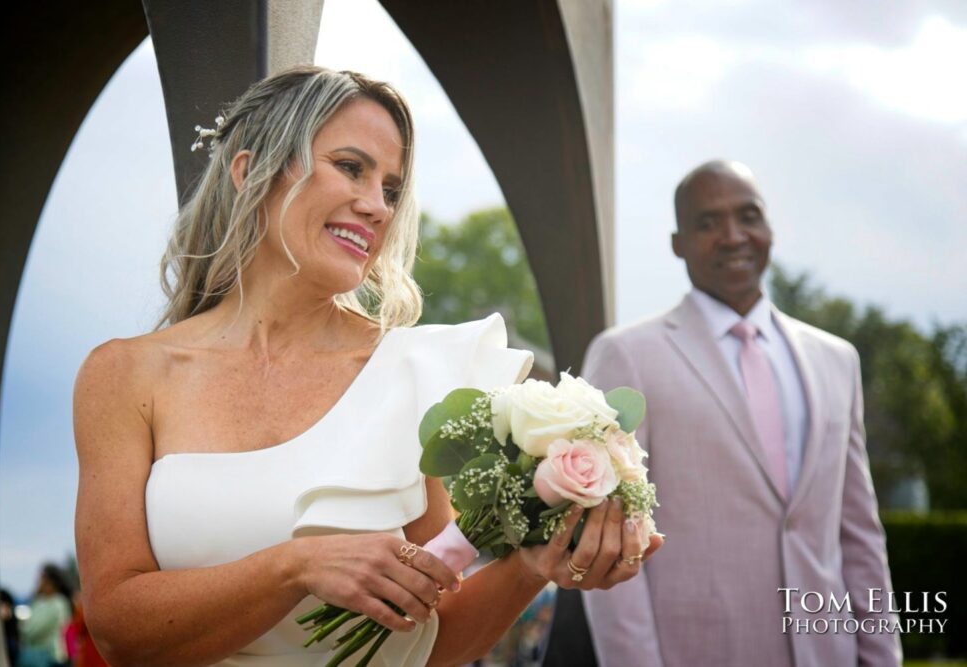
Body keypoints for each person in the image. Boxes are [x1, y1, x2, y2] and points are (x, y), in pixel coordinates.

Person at [72, 65, 661, 667]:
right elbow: (117, 628)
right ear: (251, 172)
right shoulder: (126, 377)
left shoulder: (417, 374)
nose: (377, 207)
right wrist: (296, 566)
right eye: (351, 168)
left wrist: (535, 566)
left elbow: (432, 639)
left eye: (391, 189)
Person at [579, 160, 902, 666]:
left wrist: (882, 655)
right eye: (707, 223)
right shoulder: (627, 356)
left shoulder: (837, 360)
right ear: (677, 243)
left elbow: (859, 531)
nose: (733, 236)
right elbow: (608, 541)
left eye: (748, 216)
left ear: (769, 228)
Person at [18, 564, 74, 667]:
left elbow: (34, 630)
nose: (38, 581)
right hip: (38, 657)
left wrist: (24, 630)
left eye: (42, 577)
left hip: (50, 657)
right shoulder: (39, 601)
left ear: (51, 582)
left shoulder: (58, 603)